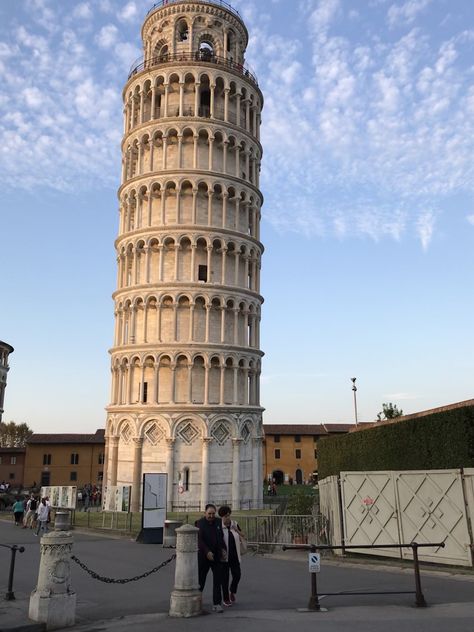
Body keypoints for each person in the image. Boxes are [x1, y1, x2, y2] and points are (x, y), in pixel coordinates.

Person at [196, 503, 226, 613]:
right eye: (209, 514)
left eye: (213, 513)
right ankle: (197, 602)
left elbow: (221, 537)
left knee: (218, 580)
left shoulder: (218, 522)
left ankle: (217, 603)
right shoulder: (200, 523)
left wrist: (223, 549)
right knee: (200, 580)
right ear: (205, 513)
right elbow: (199, 540)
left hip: (216, 556)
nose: (211, 516)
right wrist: (207, 551)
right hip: (204, 556)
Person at [218, 505, 244, 605]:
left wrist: (236, 529)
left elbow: (243, 535)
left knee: (237, 575)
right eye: (225, 516)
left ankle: (232, 591)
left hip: (234, 556)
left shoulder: (234, 524)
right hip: (224, 557)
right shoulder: (219, 526)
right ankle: (225, 598)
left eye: (229, 515)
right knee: (224, 578)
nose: (228, 518)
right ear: (221, 517)